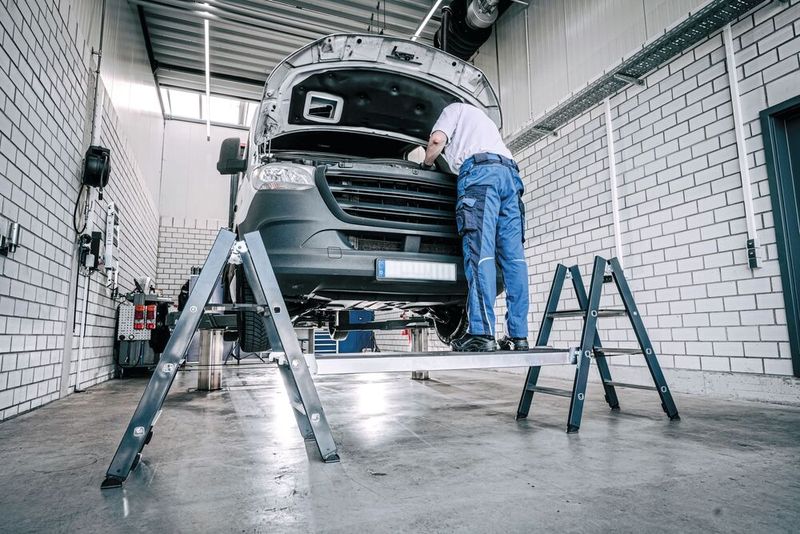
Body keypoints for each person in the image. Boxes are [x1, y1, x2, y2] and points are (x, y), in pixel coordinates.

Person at [422, 103, 529, 352]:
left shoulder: (452, 110)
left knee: (481, 255)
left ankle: (481, 333)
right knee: (514, 260)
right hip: (510, 176)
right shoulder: (482, 121)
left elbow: (437, 140)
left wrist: (426, 164)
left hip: (481, 177)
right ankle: (518, 336)